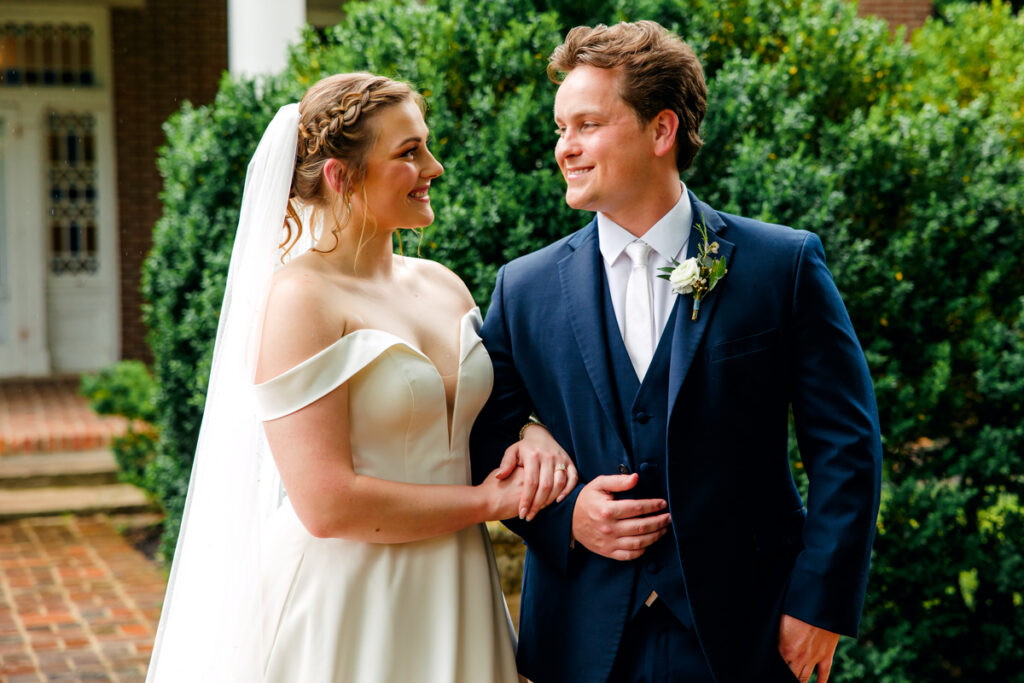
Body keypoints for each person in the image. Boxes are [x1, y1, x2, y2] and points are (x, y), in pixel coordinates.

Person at [470, 20, 883, 683]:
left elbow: (847, 444)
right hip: (582, 638)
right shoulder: (524, 289)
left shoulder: (782, 265)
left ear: (661, 131)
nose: (564, 149)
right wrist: (567, 516)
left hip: (750, 630)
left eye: (586, 126)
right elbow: (483, 435)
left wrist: (820, 603)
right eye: (560, 129)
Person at [146, 72, 577, 682]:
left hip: (456, 584)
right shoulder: (302, 299)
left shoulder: (443, 284)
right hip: (349, 594)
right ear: (340, 177)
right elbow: (326, 503)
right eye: (408, 152)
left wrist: (530, 432)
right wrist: (488, 501)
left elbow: (476, 413)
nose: (435, 167)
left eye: (425, 145)